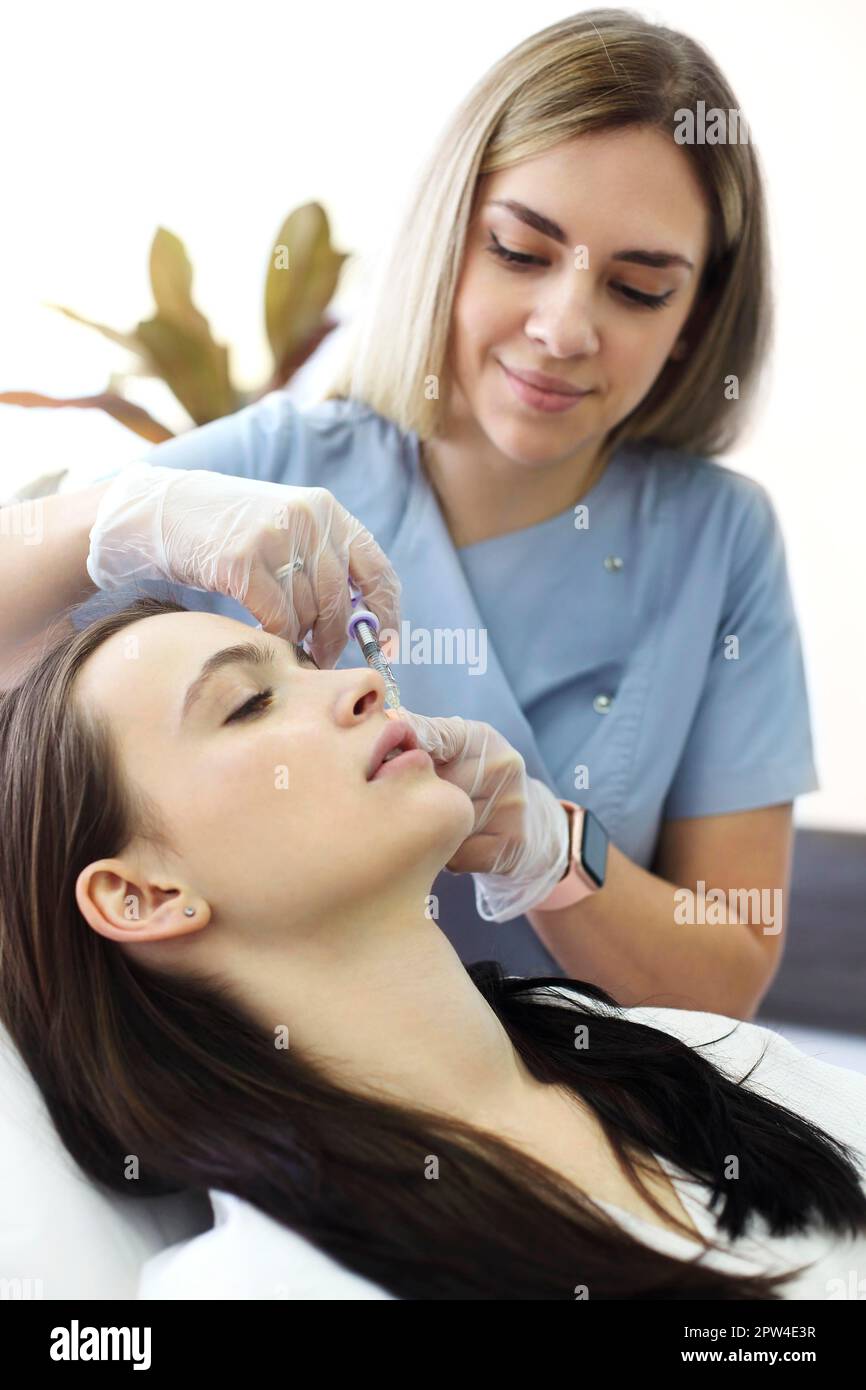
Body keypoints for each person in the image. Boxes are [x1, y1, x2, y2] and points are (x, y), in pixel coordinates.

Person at [0, 11, 817, 1015]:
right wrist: (125, 517)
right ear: (449, 238)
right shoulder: (273, 468)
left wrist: (552, 849)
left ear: (695, 321)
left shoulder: (716, 540)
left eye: (638, 287)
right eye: (520, 251)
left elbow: (720, 982)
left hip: (596, 1102)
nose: (562, 329)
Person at [0, 595, 863, 1301]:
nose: (366, 683)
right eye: (250, 702)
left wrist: (561, 848)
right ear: (143, 895)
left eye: (309, 666)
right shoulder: (268, 1286)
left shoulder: (696, 1062)